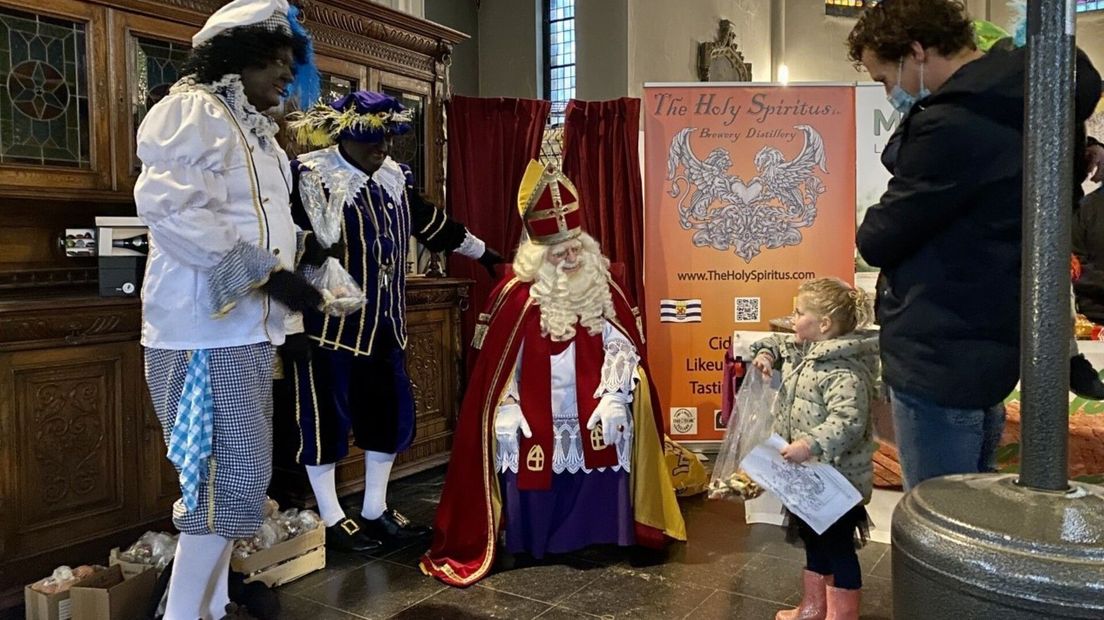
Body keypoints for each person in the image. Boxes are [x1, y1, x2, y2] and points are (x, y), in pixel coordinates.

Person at [848, 0, 1100, 490]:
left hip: (939, 345)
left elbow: (879, 237)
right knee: (974, 499)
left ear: (916, 52)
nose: (889, 92)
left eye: (885, 78)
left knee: (937, 509)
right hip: (988, 338)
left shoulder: (953, 122)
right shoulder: (1029, 98)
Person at [134, 1, 325, 618]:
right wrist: (271, 278)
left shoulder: (253, 130)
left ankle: (212, 606)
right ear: (236, 58)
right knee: (225, 486)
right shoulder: (192, 112)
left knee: (228, 486)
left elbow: (260, 224)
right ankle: (182, 614)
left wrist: (299, 279)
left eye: (290, 63)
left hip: (241, 330)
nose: (287, 75)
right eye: (275, 61)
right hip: (201, 333)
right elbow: (177, 212)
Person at [420, 159, 686, 586]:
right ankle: (534, 538)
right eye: (559, 252)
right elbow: (499, 366)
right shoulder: (514, 295)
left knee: (610, 432)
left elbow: (622, 345)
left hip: (593, 402)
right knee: (525, 442)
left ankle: (604, 531)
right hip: (535, 408)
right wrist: (506, 405)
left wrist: (615, 395)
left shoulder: (604, 285)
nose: (571, 257)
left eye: (576, 247)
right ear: (537, 254)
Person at [273, 91, 505, 552]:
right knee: (324, 422)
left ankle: (374, 509)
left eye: (387, 139)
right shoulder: (311, 176)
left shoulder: (394, 178)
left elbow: (433, 224)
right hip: (328, 330)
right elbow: (279, 246)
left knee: (389, 415)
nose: (382, 148)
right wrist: (293, 320)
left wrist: (485, 255)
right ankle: (332, 516)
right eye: (371, 139)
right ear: (345, 136)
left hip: (385, 325)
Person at [751, 278, 878, 620]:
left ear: (823, 324)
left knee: (839, 549)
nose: (792, 319)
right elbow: (774, 342)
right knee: (812, 538)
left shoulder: (844, 370)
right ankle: (814, 607)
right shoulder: (804, 351)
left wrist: (810, 444)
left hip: (837, 480)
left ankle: (842, 614)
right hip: (809, 478)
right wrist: (765, 354)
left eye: (798, 313)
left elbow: (849, 420)